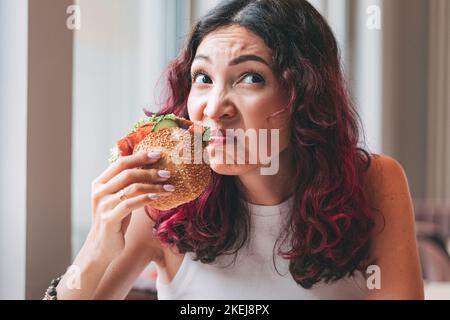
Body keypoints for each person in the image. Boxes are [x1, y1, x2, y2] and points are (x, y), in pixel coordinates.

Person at [51, 0, 424, 300]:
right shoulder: (162, 204)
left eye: (250, 78)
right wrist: (99, 245)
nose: (214, 107)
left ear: (303, 96)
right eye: (203, 78)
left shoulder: (374, 183)